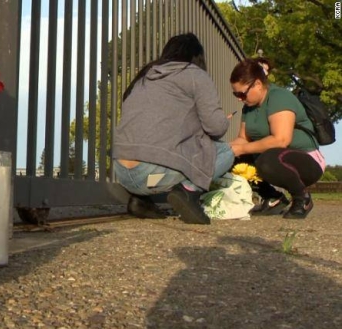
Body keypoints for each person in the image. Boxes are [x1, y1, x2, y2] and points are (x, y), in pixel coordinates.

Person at [113, 33, 234, 225]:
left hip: (122, 173)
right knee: (226, 151)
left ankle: (141, 201)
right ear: (197, 57)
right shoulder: (195, 75)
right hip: (151, 174)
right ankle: (189, 192)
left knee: (157, 144)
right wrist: (224, 121)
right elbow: (216, 128)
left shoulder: (145, 76)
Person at [229, 58, 325, 219]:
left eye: (241, 93)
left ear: (258, 84)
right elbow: (242, 140)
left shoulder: (280, 97)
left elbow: (281, 140)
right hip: (274, 158)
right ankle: (273, 198)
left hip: (306, 160)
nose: (239, 98)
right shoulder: (248, 107)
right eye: (235, 93)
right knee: (232, 158)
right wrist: (220, 149)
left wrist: (242, 148)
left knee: (266, 160)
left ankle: (302, 198)